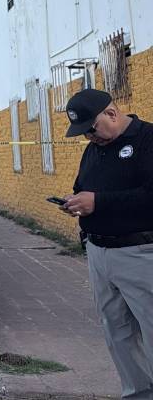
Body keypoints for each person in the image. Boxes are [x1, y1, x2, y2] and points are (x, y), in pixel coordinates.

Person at [60, 89, 153, 399]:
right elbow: (82, 187)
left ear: (111, 114)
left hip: (141, 253)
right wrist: (75, 202)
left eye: (92, 129)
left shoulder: (147, 139)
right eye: (84, 133)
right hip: (99, 254)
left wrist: (98, 202)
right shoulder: (94, 149)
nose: (89, 137)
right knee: (117, 332)